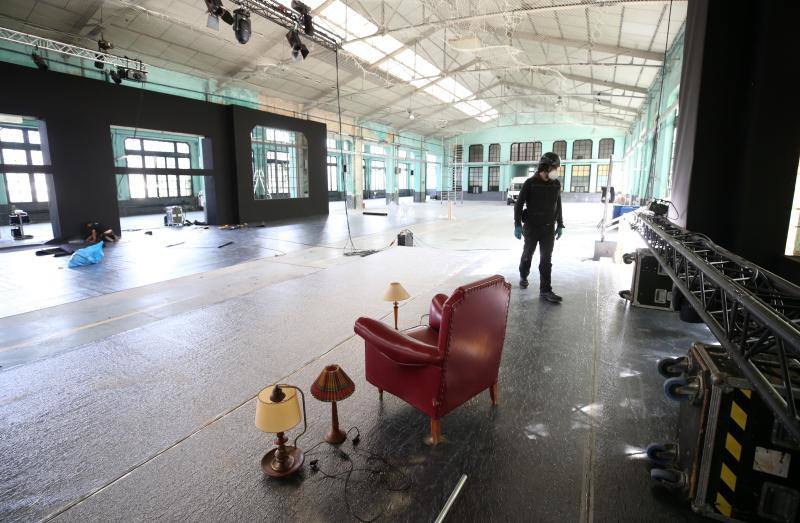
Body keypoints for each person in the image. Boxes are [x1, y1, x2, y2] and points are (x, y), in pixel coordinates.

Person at [513, 152, 564, 302]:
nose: (556, 170)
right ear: (546, 167)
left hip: (548, 228)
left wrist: (560, 224)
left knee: (546, 259)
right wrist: (517, 224)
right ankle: (523, 275)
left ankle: (545, 290)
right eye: (555, 167)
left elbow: (558, 205)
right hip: (531, 227)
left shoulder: (556, 184)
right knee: (527, 256)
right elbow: (519, 204)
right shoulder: (530, 183)